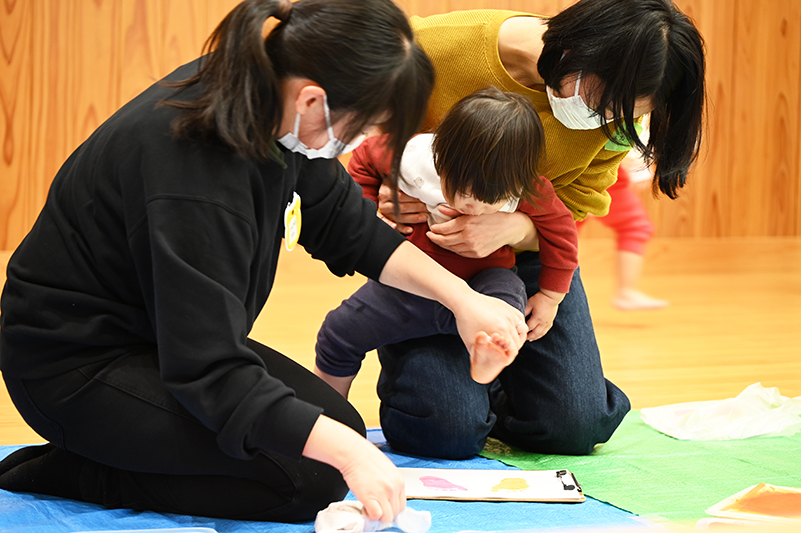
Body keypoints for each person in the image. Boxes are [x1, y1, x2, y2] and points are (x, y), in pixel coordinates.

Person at [0, 0, 528, 524]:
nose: (361, 142)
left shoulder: (271, 100)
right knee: (307, 480)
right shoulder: (198, 177)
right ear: (314, 99)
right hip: (75, 366)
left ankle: (132, 451)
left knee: (335, 423)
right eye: (362, 125)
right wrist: (353, 454)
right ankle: (72, 470)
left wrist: (464, 300)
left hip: (162, 336)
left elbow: (349, 226)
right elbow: (209, 368)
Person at [369, 0, 706, 459]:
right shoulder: (441, 47)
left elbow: (574, 212)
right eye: (603, 105)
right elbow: (367, 138)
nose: (608, 124)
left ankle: (503, 385)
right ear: (575, 52)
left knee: (574, 427)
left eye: (625, 116)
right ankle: (464, 392)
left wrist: (513, 229)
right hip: (430, 254)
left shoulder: (619, 115)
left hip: (524, 256)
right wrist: (382, 197)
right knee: (444, 431)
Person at [314, 88, 578, 396]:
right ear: (443, 155)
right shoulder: (413, 156)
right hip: (411, 284)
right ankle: (332, 412)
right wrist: (369, 209)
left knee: (507, 294)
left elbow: (561, 230)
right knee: (337, 332)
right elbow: (362, 160)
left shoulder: (526, 185)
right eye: (464, 193)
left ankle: (490, 351)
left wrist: (550, 297)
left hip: (483, 281)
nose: (474, 208)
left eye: (490, 200)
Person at [577, 143, 669, 311]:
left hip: (610, 170)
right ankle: (556, 291)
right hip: (582, 168)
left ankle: (627, 291)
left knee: (635, 225)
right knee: (563, 234)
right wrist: (640, 165)